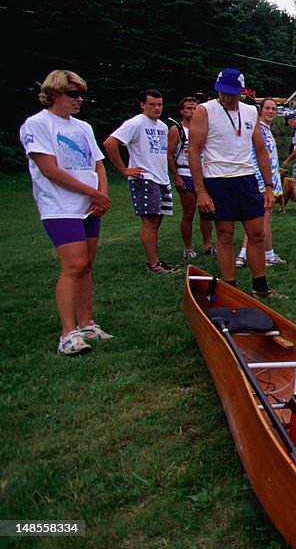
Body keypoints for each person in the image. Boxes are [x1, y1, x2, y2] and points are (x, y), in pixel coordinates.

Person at [21, 69, 113, 355]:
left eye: (81, 95)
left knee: (86, 265)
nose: (79, 100)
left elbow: (98, 163)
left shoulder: (83, 127)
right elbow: (49, 170)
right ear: (54, 94)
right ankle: (67, 333)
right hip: (60, 206)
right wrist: (92, 193)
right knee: (73, 265)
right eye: (73, 94)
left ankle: (86, 323)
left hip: (89, 206)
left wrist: (101, 195)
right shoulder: (37, 124)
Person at [188, 68, 285, 299]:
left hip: (246, 178)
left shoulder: (251, 111)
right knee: (225, 233)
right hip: (217, 178)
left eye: (232, 93)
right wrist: (200, 191)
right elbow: (193, 150)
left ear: (241, 92)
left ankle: (260, 287)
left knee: (257, 232)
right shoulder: (205, 111)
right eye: (223, 92)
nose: (227, 97)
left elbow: (261, 150)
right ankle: (231, 288)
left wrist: (269, 187)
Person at [103, 89, 178, 273]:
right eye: (152, 104)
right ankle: (153, 264)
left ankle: (156, 259)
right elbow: (110, 143)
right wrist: (123, 169)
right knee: (149, 221)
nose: (156, 108)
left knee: (157, 221)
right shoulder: (135, 123)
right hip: (145, 178)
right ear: (143, 105)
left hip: (161, 178)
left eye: (159, 104)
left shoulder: (162, 126)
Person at [237, 99, 286, 268]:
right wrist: (263, 183)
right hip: (262, 181)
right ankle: (259, 255)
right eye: (268, 108)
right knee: (262, 219)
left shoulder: (266, 129)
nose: (271, 112)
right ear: (260, 110)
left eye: (274, 109)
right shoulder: (258, 130)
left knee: (261, 219)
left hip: (271, 179)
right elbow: (255, 156)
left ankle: (249, 255)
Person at [167, 96, 213, 261]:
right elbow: (170, 155)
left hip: (203, 173)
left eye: (195, 108)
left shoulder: (203, 129)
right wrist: (176, 177)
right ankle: (188, 248)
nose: (192, 112)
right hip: (185, 173)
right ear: (182, 111)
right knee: (189, 212)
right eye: (188, 108)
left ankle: (207, 245)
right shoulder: (176, 130)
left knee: (207, 212)